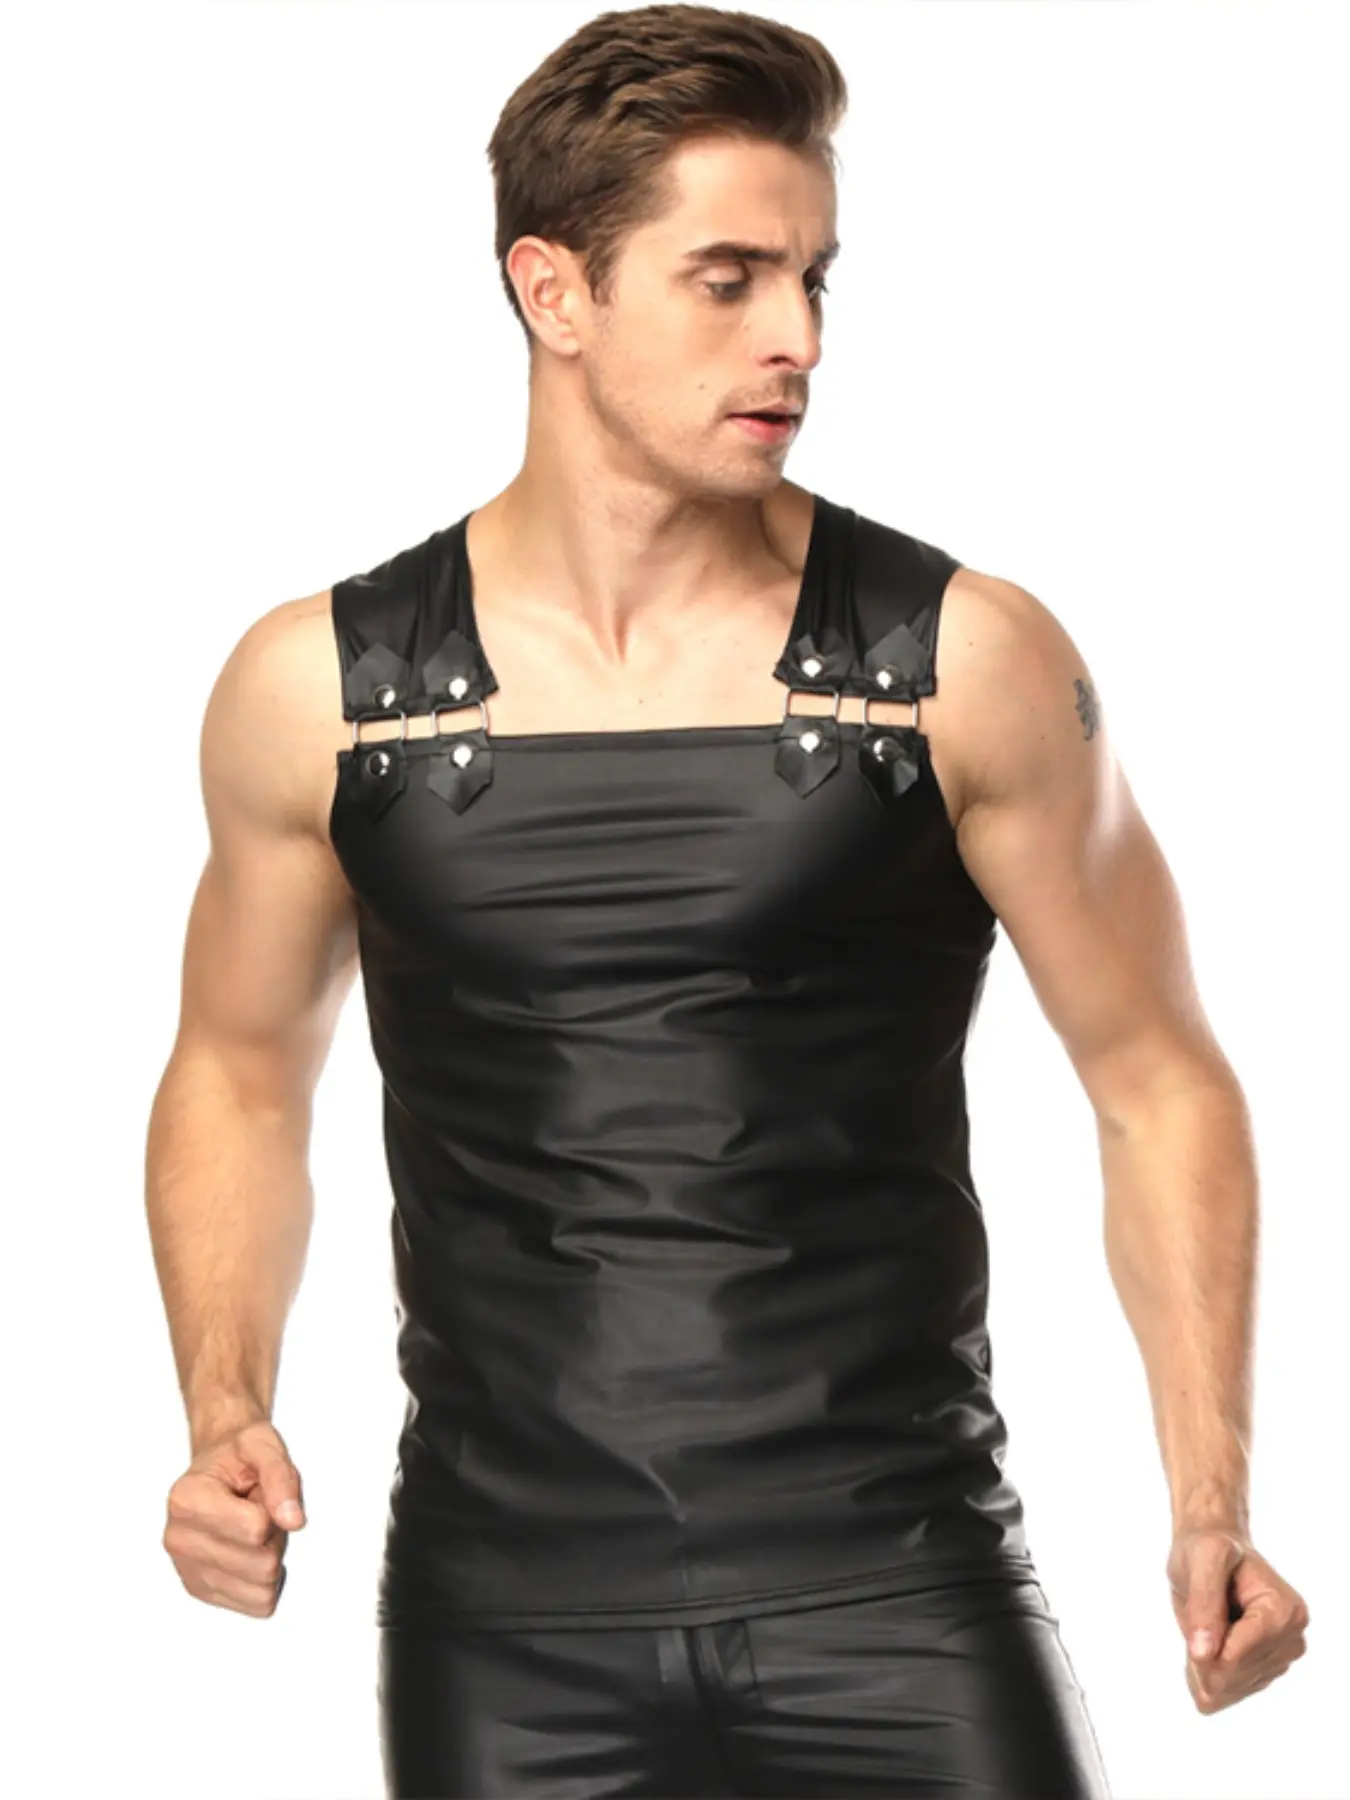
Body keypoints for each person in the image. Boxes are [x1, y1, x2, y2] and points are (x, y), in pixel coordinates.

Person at [147, 5, 1309, 1795]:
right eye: (729, 280)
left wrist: (1207, 1498)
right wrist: (224, 1408)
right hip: (502, 1628)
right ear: (553, 292)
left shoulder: (964, 662)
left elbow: (1155, 1076)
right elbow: (236, 1074)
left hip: (901, 1589)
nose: (798, 339)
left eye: (813, 278)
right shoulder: (320, 692)